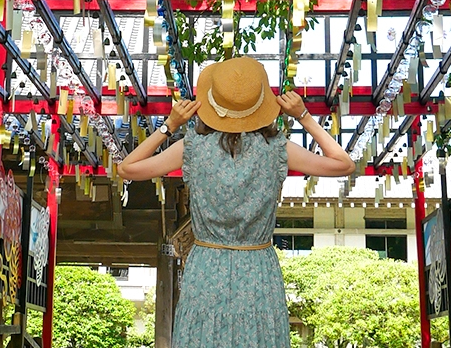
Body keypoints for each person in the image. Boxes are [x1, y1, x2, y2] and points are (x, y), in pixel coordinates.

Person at [117, 56, 356, 348]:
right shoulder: (278, 149)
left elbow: (127, 168)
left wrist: (170, 125)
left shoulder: (191, 147)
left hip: (206, 266)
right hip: (258, 268)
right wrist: (303, 115)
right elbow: (344, 165)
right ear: (260, 104)